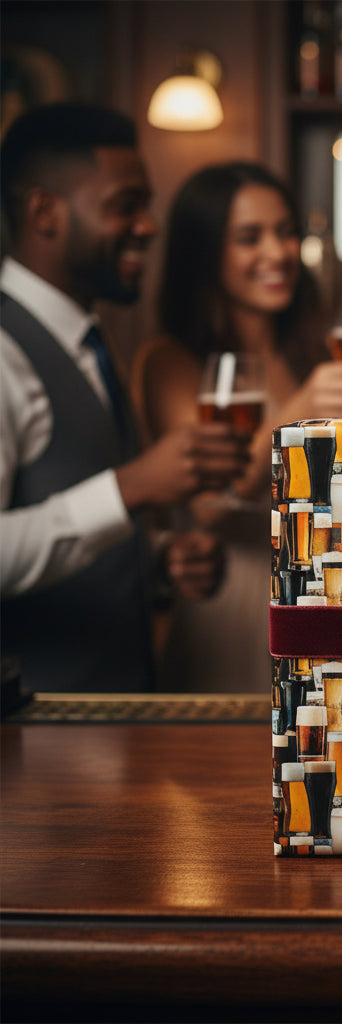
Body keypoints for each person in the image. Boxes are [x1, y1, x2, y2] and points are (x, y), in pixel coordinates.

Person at [0, 103, 249, 693]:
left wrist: (157, 562)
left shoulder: (90, 339)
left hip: (114, 720)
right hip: (33, 737)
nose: (149, 225)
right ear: (44, 212)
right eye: (124, 205)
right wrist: (129, 487)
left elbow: (65, 507)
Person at [133, 161, 342, 692]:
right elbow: (210, 505)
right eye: (250, 238)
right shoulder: (171, 360)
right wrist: (299, 408)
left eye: (285, 232)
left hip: (321, 595)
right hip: (232, 603)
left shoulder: (316, 347)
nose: (278, 253)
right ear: (205, 254)